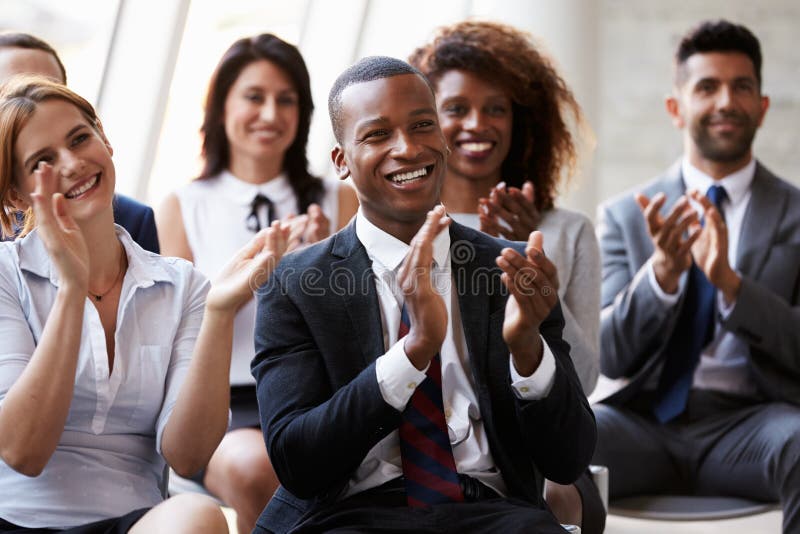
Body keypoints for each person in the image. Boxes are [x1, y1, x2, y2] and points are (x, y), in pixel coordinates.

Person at [251, 56, 595, 533]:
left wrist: (528, 351)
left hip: (491, 510)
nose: (407, 149)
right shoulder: (295, 284)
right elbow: (299, 463)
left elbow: (568, 459)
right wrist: (412, 354)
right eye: (377, 135)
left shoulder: (512, 268)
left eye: (422, 126)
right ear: (341, 161)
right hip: (352, 515)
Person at [0, 76, 289, 532]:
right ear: (17, 194)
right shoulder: (5, 274)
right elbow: (23, 451)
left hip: (134, 521)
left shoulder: (182, 285)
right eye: (44, 162)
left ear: (104, 139)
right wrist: (72, 292)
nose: (73, 163)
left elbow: (187, 454)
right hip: (16, 520)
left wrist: (218, 312)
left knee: (199, 515)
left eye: (80, 138)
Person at [594, 20, 800, 533]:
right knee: (548, 435)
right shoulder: (623, 216)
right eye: (707, 87)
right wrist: (662, 275)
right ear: (676, 107)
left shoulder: (798, 214)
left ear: (762, 106)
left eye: (742, 87)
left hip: (753, 426)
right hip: (641, 426)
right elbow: (611, 354)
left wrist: (731, 284)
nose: (726, 101)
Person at [156, 33, 358, 533]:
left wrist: (318, 271)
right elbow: (169, 332)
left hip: (318, 393)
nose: (270, 114)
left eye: (285, 100)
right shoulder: (182, 206)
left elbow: (364, 322)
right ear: (221, 105)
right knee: (255, 470)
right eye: (254, 96)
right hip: (223, 403)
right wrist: (260, 279)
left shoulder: (340, 201)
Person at [409, 21, 603, 532]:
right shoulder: (405, 232)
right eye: (456, 109)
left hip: (538, 457)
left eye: (496, 108)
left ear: (522, 121)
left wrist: (540, 294)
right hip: (427, 452)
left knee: (555, 497)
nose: (479, 123)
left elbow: (582, 381)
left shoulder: (565, 231)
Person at [0, 31, 160, 253]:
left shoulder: (134, 220)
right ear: (15, 195)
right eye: (12, 96)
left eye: (48, 89)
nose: (32, 99)